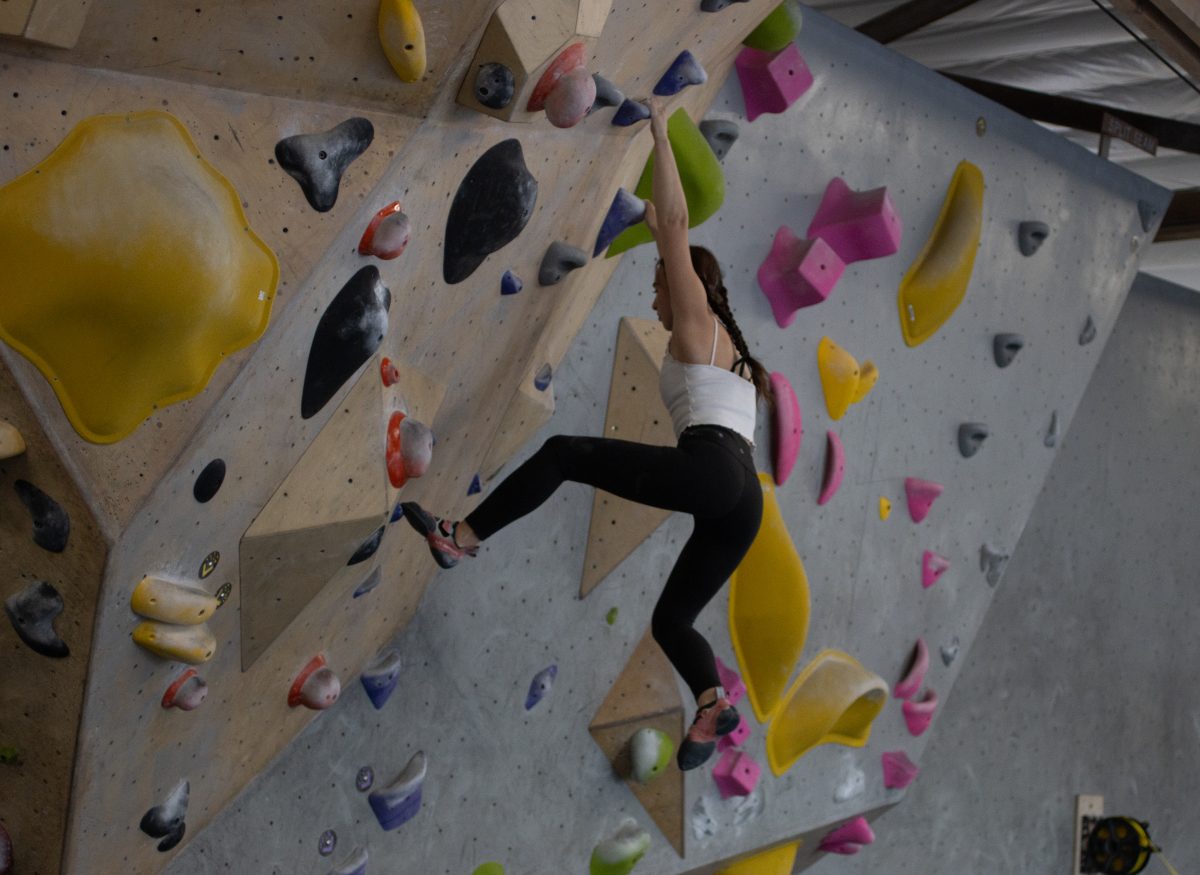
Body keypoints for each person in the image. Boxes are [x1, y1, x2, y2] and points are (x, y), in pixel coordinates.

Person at [402, 98, 772, 771]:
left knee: (564, 453)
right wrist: (659, 226)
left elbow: (680, 225)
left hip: (716, 470)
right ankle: (712, 699)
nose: (656, 297)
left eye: (661, 283)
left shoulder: (695, 319)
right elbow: (671, 229)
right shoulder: (738, 359)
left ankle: (462, 538)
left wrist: (661, 132)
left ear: (689, 285)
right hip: (744, 501)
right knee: (671, 623)